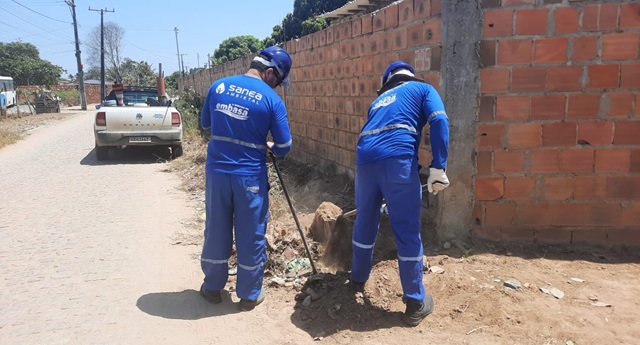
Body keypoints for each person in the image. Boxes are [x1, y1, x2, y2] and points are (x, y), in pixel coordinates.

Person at [350, 61, 450, 326]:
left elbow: (381, 139)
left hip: (365, 163)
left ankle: (357, 278)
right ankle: (416, 302)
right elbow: (439, 120)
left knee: (365, 220)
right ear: (410, 76)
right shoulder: (423, 89)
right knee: (406, 229)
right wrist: (438, 166)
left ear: (388, 80)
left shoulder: (379, 100)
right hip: (397, 162)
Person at [199, 46, 293, 311]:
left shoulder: (218, 87)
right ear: (270, 72)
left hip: (217, 173)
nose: (277, 86)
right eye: (278, 80)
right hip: (249, 177)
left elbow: (206, 125)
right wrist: (269, 146)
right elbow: (285, 147)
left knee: (216, 228)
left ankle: (213, 288)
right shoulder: (271, 100)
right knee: (250, 232)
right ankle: (249, 295)